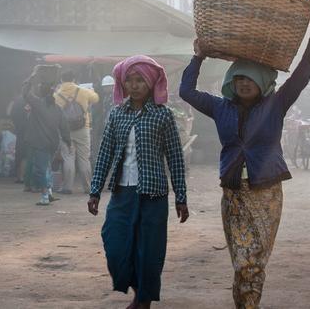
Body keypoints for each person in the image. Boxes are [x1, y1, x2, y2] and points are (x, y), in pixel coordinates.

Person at [179, 4, 310, 309]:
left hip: (266, 191)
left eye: (250, 79)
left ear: (262, 82)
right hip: (233, 192)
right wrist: (198, 57)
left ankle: (248, 305)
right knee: (241, 261)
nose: (244, 83)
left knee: (254, 260)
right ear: (231, 82)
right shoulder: (220, 107)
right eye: (239, 78)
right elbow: (186, 92)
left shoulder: (276, 104)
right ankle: (246, 304)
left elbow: (302, 75)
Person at [88, 55, 188, 309]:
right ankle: (137, 290)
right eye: (129, 80)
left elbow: (175, 157)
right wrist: (95, 191)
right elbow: (105, 153)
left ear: (151, 83)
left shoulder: (162, 115)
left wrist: (181, 197)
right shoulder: (116, 114)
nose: (134, 86)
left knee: (149, 251)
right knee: (115, 245)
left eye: (140, 80)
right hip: (122, 192)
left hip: (152, 195)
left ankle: (143, 300)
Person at [22, 71, 71, 205]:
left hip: (40, 143)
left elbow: (25, 92)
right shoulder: (57, 109)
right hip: (52, 144)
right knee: (47, 168)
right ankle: (48, 193)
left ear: (41, 92)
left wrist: (30, 78)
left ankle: (44, 197)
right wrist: (68, 142)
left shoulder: (37, 104)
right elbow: (64, 128)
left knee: (40, 170)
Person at [55, 69, 100, 194]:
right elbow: (96, 98)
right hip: (83, 128)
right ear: (74, 79)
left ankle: (67, 187)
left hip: (65, 130)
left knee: (68, 157)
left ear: (61, 80)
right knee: (84, 158)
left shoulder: (56, 95)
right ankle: (88, 187)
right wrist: (91, 90)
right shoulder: (83, 91)